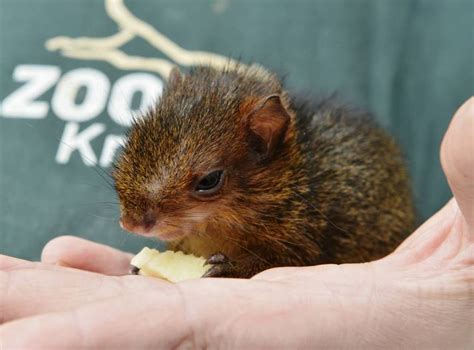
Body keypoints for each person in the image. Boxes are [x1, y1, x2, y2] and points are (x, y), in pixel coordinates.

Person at [1, 98, 473, 349]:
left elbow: (282, 257)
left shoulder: (294, 210)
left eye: (206, 183)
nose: (134, 224)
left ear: (264, 139)